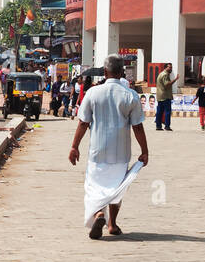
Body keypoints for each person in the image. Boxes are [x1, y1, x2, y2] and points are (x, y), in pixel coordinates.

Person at [69, 56, 148, 239]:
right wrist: (144, 150)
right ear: (122, 73)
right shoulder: (130, 95)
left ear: (104, 72)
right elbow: (137, 126)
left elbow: (83, 123)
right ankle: (112, 224)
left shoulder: (93, 93)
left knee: (94, 186)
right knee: (116, 188)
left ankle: (99, 214)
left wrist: (74, 146)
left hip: (98, 151)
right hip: (120, 153)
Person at [155, 63, 176, 132]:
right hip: (165, 96)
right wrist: (175, 79)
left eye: (171, 67)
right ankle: (167, 126)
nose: (171, 69)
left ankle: (158, 126)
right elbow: (167, 84)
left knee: (160, 111)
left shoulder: (161, 74)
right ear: (165, 67)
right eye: (169, 67)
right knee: (167, 111)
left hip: (160, 95)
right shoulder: (165, 75)